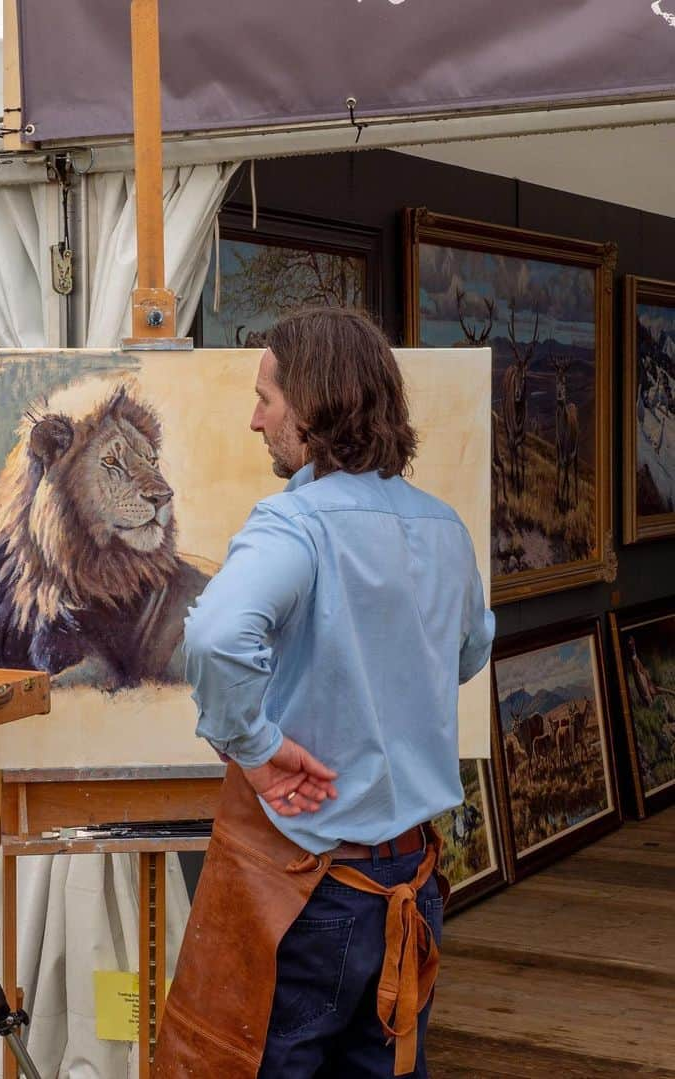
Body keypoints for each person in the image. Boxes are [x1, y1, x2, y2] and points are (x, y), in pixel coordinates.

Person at [154, 307, 495, 1079]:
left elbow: (212, 636)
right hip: (408, 885)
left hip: (309, 897)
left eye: (266, 397)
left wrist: (259, 747)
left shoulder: (295, 524)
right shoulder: (446, 529)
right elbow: (469, 652)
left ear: (311, 406)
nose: (254, 418)